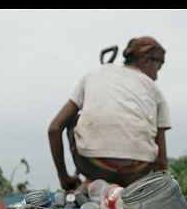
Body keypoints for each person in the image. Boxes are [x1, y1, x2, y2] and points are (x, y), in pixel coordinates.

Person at [48, 36, 170, 190]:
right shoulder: (155, 91)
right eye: (157, 68)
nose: (156, 76)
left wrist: (64, 178)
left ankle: (92, 182)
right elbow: (161, 162)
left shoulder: (93, 74)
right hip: (137, 171)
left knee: (75, 120)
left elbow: (54, 129)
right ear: (146, 61)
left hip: (94, 166)